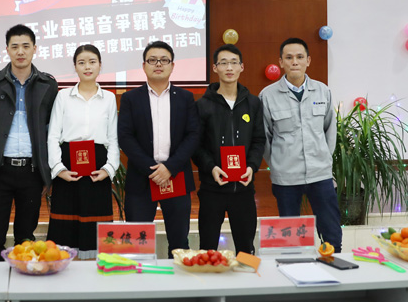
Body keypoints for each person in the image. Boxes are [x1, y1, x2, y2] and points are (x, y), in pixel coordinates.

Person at [0, 24, 59, 262]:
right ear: (7, 50)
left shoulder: (48, 85)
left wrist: (47, 171)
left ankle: (24, 280)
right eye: (15, 47)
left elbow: (52, 132)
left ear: (35, 49)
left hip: (31, 172)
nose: (20, 52)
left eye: (25, 46)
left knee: (26, 237)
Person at [260, 37, 342, 252]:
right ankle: (294, 267)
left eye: (299, 57)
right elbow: (265, 137)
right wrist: (277, 164)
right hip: (286, 177)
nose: (294, 62)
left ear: (308, 60)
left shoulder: (323, 91)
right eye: (289, 57)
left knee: (332, 232)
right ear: (281, 62)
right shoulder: (268, 96)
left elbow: (330, 130)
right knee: (291, 236)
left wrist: (324, 158)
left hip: (320, 174)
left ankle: (334, 264)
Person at [117, 40, 200, 254]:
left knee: (179, 243)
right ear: (144, 66)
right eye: (152, 60)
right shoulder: (130, 98)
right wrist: (152, 170)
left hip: (176, 177)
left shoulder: (185, 98)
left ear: (172, 65)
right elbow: (125, 137)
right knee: (137, 244)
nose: (158, 64)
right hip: (142, 179)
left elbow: (193, 135)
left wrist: (170, 167)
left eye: (164, 60)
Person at [46, 44, 118, 258]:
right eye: (82, 62)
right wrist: (58, 168)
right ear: (75, 67)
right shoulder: (63, 96)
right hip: (68, 167)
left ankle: (96, 269)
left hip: (98, 167)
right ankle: (62, 267)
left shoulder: (109, 98)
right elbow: (53, 136)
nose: (87, 67)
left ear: (100, 65)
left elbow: (113, 138)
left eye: (92, 62)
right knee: (65, 228)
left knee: (96, 227)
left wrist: (109, 168)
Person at [193, 44, 266, 254]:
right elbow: (196, 145)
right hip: (212, 188)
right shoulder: (202, 105)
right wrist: (211, 167)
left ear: (242, 67)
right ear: (215, 68)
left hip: (243, 188)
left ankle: (247, 276)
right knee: (208, 249)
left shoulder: (253, 103)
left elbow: (259, 140)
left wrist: (251, 167)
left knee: (246, 249)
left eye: (234, 63)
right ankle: (209, 276)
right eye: (223, 63)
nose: (229, 68)